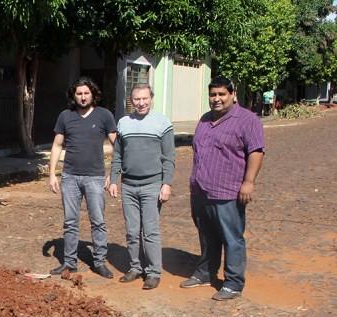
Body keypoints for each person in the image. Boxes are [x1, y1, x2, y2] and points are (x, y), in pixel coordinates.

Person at [181, 75, 265, 301]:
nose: (217, 99)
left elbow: (256, 151)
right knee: (207, 235)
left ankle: (233, 283)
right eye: (213, 94)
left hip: (228, 191)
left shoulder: (247, 120)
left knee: (232, 237)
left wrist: (249, 182)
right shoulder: (205, 119)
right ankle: (206, 273)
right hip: (201, 190)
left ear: (232, 94)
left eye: (221, 94)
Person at [49, 77, 117, 278]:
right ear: (74, 96)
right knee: (70, 222)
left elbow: (118, 146)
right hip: (70, 177)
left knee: (98, 221)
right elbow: (56, 145)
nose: (83, 97)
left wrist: (113, 175)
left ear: (93, 94)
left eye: (86, 93)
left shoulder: (104, 115)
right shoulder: (65, 116)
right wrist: (52, 173)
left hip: (95, 178)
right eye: (79, 93)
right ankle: (69, 263)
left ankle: (99, 262)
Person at [108, 84, 175, 290]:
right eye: (137, 99)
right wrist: (112, 179)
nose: (141, 103)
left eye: (145, 98)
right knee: (131, 230)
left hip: (152, 185)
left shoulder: (162, 123)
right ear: (132, 100)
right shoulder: (124, 123)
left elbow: (168, 157)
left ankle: (154, 272)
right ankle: (136, 267)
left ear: (151, 98)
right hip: (128, 185)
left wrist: (166, 183)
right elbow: (118, 154)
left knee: (150, 231)